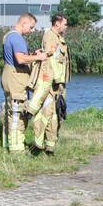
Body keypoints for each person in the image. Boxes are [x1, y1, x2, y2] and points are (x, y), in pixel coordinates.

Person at [1, 13, 46, 153]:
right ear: (23, 23)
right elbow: (20, 59)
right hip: (16, 81)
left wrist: (32, 54)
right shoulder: (17, 38)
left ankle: (8, 144)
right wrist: (38, 57)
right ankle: (16, 149)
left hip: (10, 79)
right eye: (31, 27)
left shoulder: (9, 36)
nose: (32, 30)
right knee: (16, 114)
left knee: (12, 112)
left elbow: (17, 57)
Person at [26, 14, 70, 154]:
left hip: (57, 85)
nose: (66, 26)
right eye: (65, 23)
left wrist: (60, 84)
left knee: (55, 114)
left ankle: (50, 146)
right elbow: (50, 60)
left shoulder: (58, 37)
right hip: (49, 82)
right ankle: (38, 144)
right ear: (57, 23)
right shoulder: (50, 36)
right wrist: (57, 79)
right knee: (45, 113)